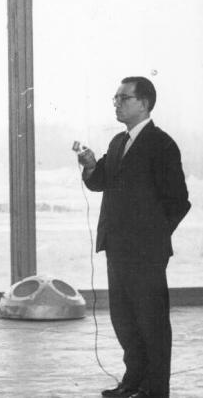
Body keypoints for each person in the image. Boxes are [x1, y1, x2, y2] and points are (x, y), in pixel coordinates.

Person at [78, 77, 190, 398]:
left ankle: (155, 390)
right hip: (117, 247)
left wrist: (153, 238)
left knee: (151, 322)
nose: (116, 103)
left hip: (145, 252)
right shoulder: (118, 142)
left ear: (144, 103)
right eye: (115, 98)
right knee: (124, 320)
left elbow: (178, 201)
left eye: (123, 98)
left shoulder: (161, 144)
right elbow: (99, 181)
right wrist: (90, 167)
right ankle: (133, 383)